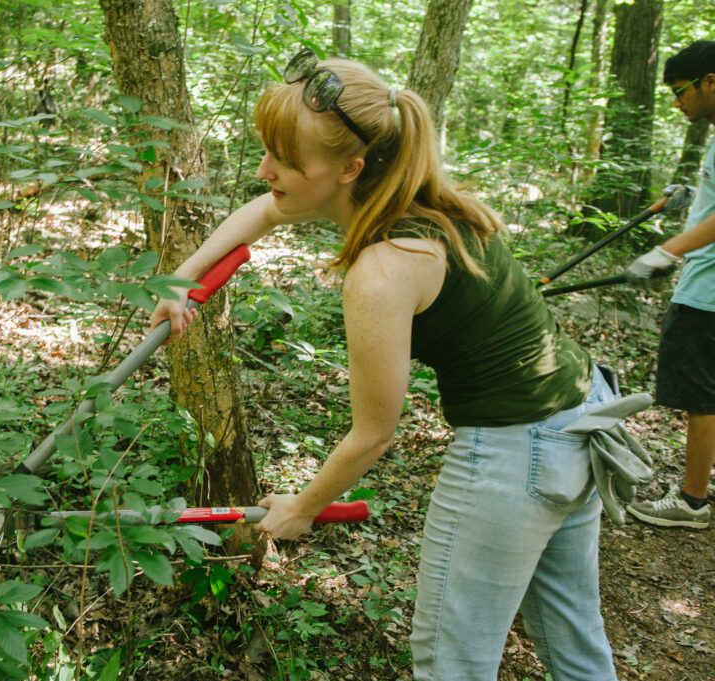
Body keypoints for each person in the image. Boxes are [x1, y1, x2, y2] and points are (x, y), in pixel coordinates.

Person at [152, 47, 622, 680]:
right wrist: (181, 278)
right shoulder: (424, 199)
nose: (265, 169)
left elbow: (374, 433)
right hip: (579, 417)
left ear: (349, 168)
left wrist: (304, 505)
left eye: (285, 160)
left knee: (450, 664)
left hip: (518, 455)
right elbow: (262, 211)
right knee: (574, 641)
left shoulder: (384, 269)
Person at [624, 40, 715, 530]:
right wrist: (694, 196)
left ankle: (692, 502)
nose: (677, 103)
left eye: (681, 92)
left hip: (707, 293)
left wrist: (668, 250)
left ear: (711, 81)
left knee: (701, 398)